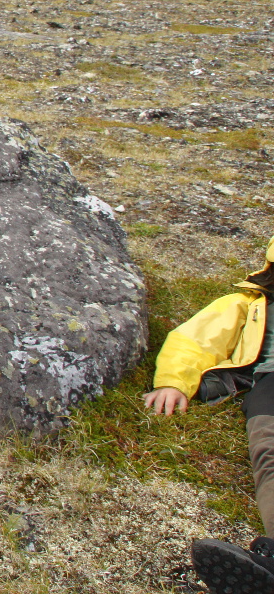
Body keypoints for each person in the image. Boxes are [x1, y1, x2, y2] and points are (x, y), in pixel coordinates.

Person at [144, 235, 274, 594]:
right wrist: (173, 382)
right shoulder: (245, 306)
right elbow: (195, 341)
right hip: (272, 384)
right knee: (270, 451)